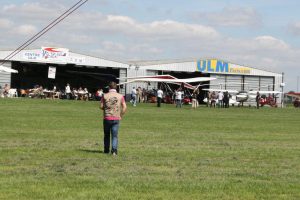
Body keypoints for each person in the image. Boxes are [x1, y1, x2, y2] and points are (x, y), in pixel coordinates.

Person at [100, 82, 127, 155]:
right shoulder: (120, 96)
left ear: (109, 87)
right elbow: (124, 107)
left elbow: (101, 106)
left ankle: (106, 150)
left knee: (106, 135)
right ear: (116, 88)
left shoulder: (104, 96)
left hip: (107, 117)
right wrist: (121, 115)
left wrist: (107, 108)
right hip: (116, 118)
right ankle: (114, 151)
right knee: (115, 135)